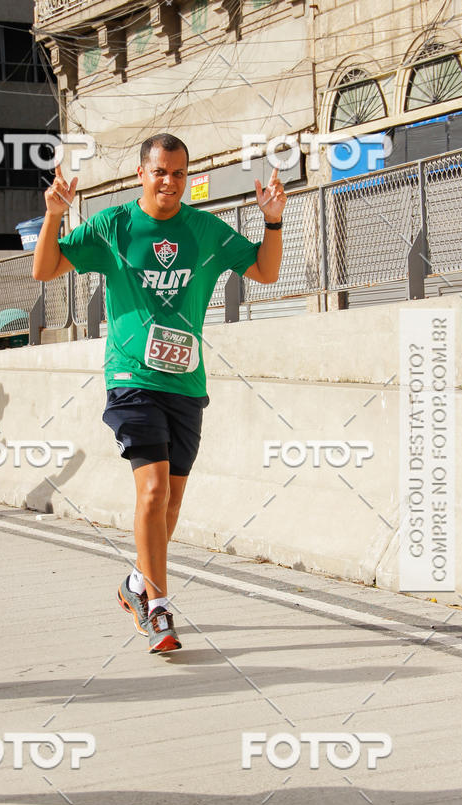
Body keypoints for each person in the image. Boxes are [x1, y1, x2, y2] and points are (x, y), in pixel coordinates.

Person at [33, 133, 286, 652]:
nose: (168, 182)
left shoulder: (205, 231)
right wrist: (55, 217)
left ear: (186, 177)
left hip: (186, 383)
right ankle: (160, 607)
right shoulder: (113, 227)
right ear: (141, 175)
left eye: (177, 173)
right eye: (159, 172)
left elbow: (265, 270)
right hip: (131, 379)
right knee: (151, 493)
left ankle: (134, 585)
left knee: (168, 505)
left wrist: (274, 222)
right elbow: (45, 269)